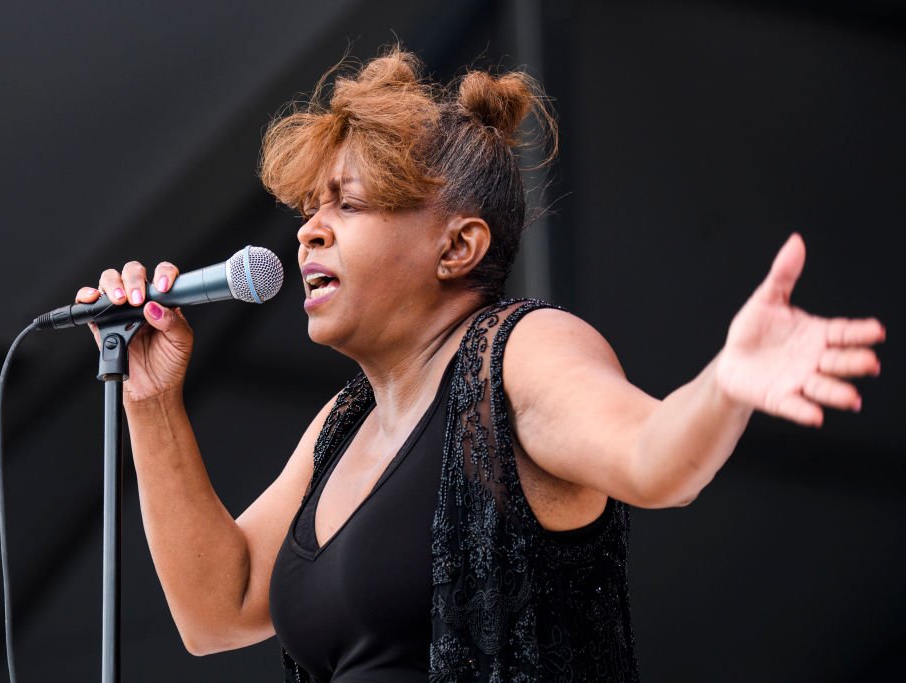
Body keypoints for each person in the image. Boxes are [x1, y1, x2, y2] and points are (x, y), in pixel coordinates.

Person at [74, 48, 885, 682]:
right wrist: (151, 399)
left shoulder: (517, 356)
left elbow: (653, 456)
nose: (310, 231)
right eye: (311, 209)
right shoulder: (342, 427)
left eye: (347, 205)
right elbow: (217, 607)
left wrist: (721, 383)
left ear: (458, 246)